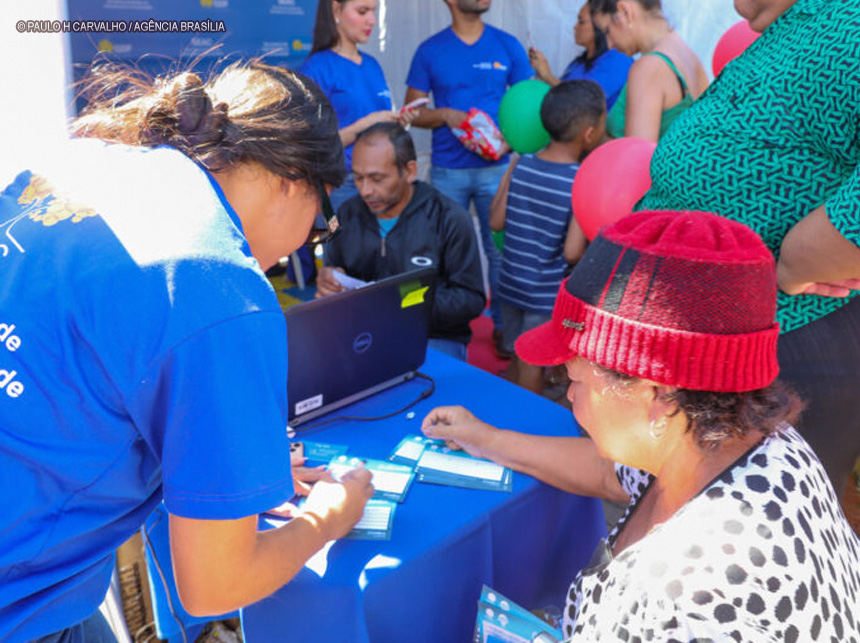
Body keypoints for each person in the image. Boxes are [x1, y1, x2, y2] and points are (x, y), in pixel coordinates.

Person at [0, 62, 375, 642]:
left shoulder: (84, 159)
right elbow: (215, 585)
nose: (305, 242)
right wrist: (330, 517)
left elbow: (82, 374)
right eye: (321, 224)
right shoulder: (221, 286)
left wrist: (234, 466)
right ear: (292, 179)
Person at [422, 210, 860, 640]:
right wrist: (484, 437)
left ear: (657, 395)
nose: (569, 395)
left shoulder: (676, 607)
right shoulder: (757, 443)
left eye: (574, 379)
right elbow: (609, 473)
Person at [637, 0, 860, 504]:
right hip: (724, 342)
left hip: (789, 340)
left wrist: (801, 258)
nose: (737, 6)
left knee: (747, 528)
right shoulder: (800, 21)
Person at [404, 0, 533, 358]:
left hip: (497, 169)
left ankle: (505, 330)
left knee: (501, 253)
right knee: (441, 254)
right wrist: (446, 114)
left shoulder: (507, 45)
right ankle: (445, 328)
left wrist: (510, 141)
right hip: (448, 171)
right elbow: (411, 113)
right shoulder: (430, 50)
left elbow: (529, 105)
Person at [316, 123, 486, 361]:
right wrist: (329, 280)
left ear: (409, 171)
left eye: (377, 179)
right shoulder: (346, 215)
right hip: (365, 330)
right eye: (358, 178)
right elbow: (334, 273)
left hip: (433, 335)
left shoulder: (449, 218)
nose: (365, 191)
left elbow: (471, 299)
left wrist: (400, 301)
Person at [489, 80, 605, 393]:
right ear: (589, 134)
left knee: (516, 353)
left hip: (509, 283)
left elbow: (495, 221)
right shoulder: (580, 179)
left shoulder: (522, 164)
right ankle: (524, 419)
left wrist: (510, 172)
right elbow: (571, 252)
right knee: (532, 363)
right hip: (543, 294)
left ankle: (507, 408)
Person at [300, 0, 418, 211]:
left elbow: (378, 121)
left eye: (374, 11)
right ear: (336, 10)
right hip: (344, 183)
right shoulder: (318, 69)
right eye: (363, 12)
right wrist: (365, 125)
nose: (372, 20)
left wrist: (397, 122)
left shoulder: (372, 64)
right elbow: (314, 146)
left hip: (385, 178)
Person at [589, 0, 708, 141]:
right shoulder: (689, 56)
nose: (609, 45)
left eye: (607, 31)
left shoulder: (648, 68)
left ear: (625, 11)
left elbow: (638, 151)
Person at [528, 1, 632, 110]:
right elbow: (561, 96)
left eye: (581, 22)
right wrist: (542, 74)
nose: (575, 26)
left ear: (600, 25)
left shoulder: (618, 59)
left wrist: (548, 77)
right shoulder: (578, 63)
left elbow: (584, 101)